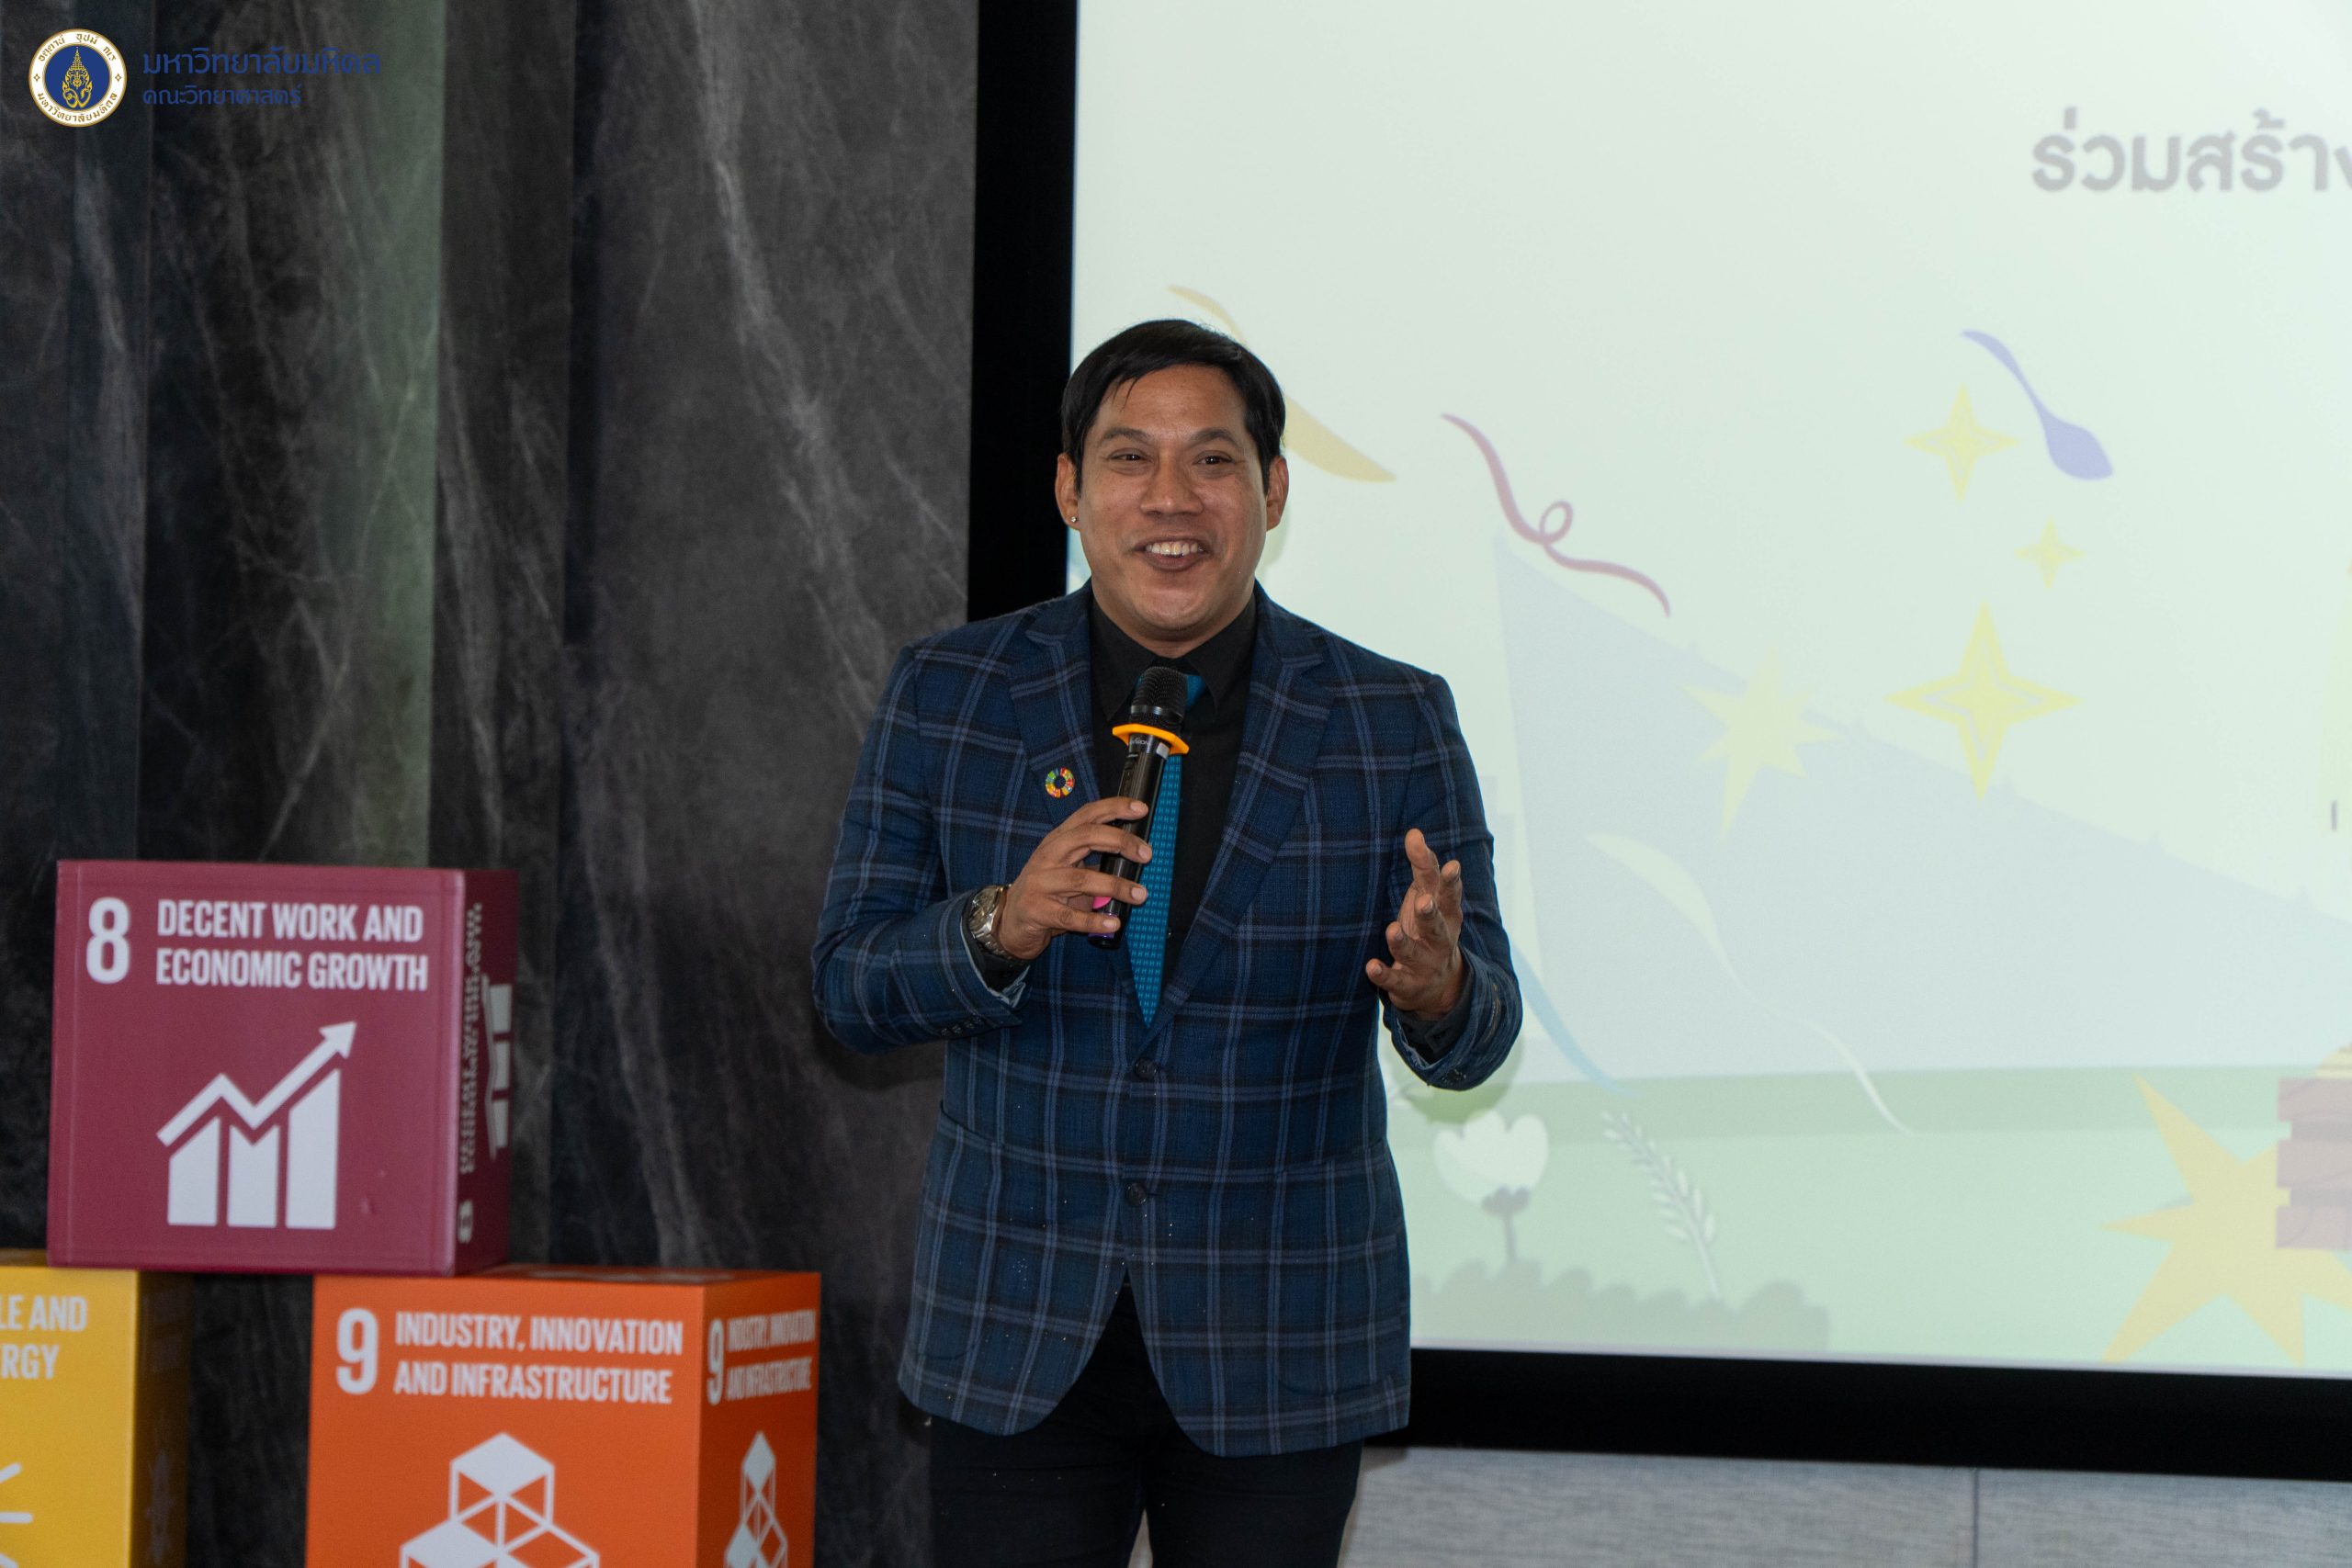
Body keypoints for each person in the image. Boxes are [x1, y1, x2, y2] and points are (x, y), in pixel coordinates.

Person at [812, 320, 1521, 1568]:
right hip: (1017, 1328)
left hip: (1281, 1338)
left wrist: (1438, 986)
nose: (1171, 499)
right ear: (1070, 488)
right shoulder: (951, 693)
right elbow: (848, 989)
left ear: (1274, 490)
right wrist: (1000, 925)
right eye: (1130, 458)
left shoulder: (1390, 716)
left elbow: (1480, 1033)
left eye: (1214, 460)